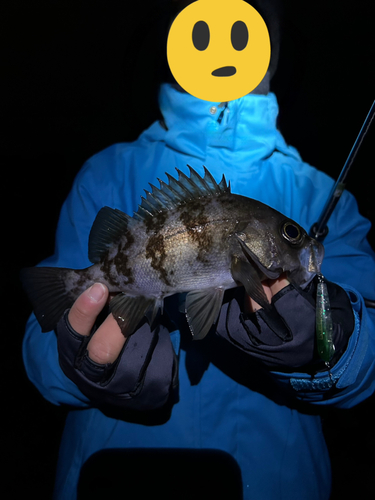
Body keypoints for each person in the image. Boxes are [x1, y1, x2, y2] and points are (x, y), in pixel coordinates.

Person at [22, 1, 375, 499]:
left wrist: (335, 340)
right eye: (202, 27)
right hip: (117, 481)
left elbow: (372, 360)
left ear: (271, 40)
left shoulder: (324, 196)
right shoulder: (105, 173)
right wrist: (72, 357)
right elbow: (36, 344)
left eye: (243, 26)